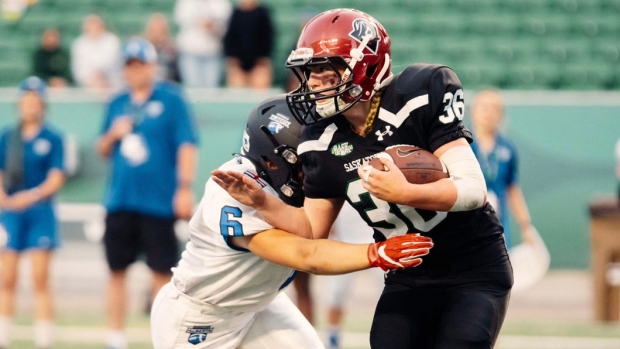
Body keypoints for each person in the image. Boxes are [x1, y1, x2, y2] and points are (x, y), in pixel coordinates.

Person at [213, 8, 513, 349]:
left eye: (328, 68)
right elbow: (312, 230)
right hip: (408, 274)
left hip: (472, 265)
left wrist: (405, 192)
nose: (315, 80)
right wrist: (262, 202)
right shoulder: (318, 137)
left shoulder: (419, 93)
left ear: (366, 67)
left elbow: (473, 189)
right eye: (312, 70)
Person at [151, 95, 434, 349]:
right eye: (310, 161)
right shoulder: (235, 194)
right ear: (274, 161)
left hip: (257, 305)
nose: (318, 166)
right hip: (200, 318)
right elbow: (304, 253)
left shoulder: (289, 185)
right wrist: (375, 253)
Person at [96, 37, 199, 349]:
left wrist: (183, 188)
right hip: (120, 199)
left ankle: (162, 337)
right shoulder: (117, 103)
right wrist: (114, 133)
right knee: (116, 270)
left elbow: (187, 144)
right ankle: (115, 337)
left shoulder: (171, 99)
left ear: (152, 66)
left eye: (140, 64)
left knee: (161, 274)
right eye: (130, 65)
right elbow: (101, 148)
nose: (135, 71)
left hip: (157, 201)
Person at [0, 76, 66, 349]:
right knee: (7, 277)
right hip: (11, 213)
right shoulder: (8, 137)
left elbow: (56, 177)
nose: (30, 106)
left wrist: (32, 196)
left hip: (39, 211)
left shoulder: (52, 138)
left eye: (35, 101)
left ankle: (44, 340)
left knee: (40, 277)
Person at [470, 89, 533, 248]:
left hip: (498, 224)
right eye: (484, 107)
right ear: (474, 111)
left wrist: (526, 225)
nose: (489, 113)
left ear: (501, 114)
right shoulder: (462, 145)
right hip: (467, 223)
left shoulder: (508, 148)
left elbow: (512, 187)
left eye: (495, 108)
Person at [174, 0, 232, 88]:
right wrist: (200, 22)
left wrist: (214, 27)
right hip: (190, 52)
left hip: (213, 53)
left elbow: (227, 28)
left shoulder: (222, 3)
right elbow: (181, 20)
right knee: (192, 88)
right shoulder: (186, 2)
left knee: (211, 89)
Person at [223, 0, 274, 89]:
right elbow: (229, 38)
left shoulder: (262, 13)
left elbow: (268, 38)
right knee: (237, 89)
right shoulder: (236, 14)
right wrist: (233, 60)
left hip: (259, 64)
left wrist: (262, 59)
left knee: (260, 88)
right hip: (238, 64)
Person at [71, 14, 121, 89]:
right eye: (91, 25)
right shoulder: (79, 44)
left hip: (111, 84)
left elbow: (114, 63)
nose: (93, 27)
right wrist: (91, 79)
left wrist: (101, 76)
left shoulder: (112, 40)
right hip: (86, 87)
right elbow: (78, 70)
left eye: (96, 24)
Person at [145, 13, 182, 83]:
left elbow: (176, 75)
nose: (157, 33)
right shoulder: (144, 49)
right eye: (154, 30)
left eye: (159, 30)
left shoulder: (171, 50)